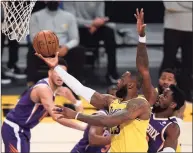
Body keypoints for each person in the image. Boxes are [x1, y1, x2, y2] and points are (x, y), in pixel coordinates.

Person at [35, 10, 152, 152]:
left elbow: (108, 121)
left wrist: (76, 115)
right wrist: (56, 68)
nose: (118, 81)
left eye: (122, 79)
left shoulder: (139, 104)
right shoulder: (111, 101)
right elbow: (80, 88)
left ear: (132, 84)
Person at [1, 58, 86, 153]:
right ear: (50, 73)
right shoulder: (44, 90)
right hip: (14, 129)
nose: (61, 76)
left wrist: (77, 103)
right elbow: (57, 117)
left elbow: (65, 91)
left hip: (23, 129)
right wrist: (83, 127)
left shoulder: (54, 85)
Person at [134, 8, 185, 152]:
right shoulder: (153, 98)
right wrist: (142, 37)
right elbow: (143, 69)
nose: (166, 83)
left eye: (170, 80)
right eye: (164, 78)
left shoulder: (172, 126)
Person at [27, 1, 85, 86]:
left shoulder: (69, 16)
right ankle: (31, 82)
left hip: (63, 49)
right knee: (32, 50)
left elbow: (75, 39)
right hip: (44, 49)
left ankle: (77, 82)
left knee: (79, 50)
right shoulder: (35, 16)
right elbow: (34, 38)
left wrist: (66, 47)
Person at [63, 2, 118, 83]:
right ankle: (77, 74)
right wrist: (92, 23)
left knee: (109, 32)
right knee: (71, 33)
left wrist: (96, 25)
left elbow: (100, 17)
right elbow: (71, 19)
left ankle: (111, 73)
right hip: (77, 28)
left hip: (94, 29)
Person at [159, 2, 193, 102]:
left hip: (190, 26)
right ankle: (162, 95)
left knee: (189, 63)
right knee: (168, 61)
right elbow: (169, 5)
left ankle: (186, 96)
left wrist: (179, 4)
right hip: (172, 26)